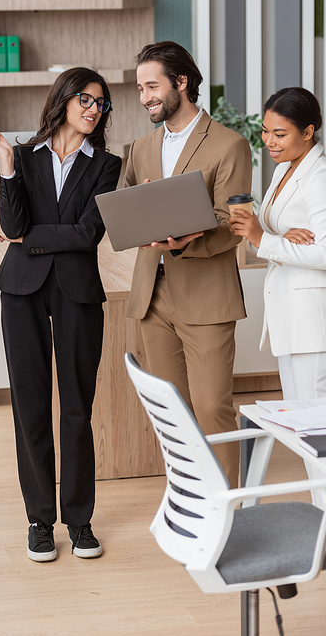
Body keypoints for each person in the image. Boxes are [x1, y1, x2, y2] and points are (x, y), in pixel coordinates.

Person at [0, 68, 122, 562]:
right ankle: (40, 521)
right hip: (21, 291)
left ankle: (79, 521)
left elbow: (88, 234)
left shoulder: (107, 165)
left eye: (101, 104)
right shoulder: (20, 157)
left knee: (77, 409)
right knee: (31, 409)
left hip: (77, 293)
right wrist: (5, 166)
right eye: (85, 98)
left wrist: (28, 236)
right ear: (63, 99)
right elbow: (15, 220)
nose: (92, 109)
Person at [125, 41, 252, 488]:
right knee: (172, 410)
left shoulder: (229, 145)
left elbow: (232, 222)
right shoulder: (140, 147)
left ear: (181, 82)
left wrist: (185, 239)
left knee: (212, 405)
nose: (145, 98)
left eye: (152, 86)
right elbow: (127, 209)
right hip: (153, 295)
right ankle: (191, 498)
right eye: (140, 89)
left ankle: (229, 508)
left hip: (205, 295)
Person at [229, 87, 326, 401]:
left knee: (320, 425)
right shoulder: (284, 169)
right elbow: (272, 233)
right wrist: (273, 236)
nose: (269, 141)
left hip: (315, 322)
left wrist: (263, 237)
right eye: (265, 131)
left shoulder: (323, 178)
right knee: (301, 423)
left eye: (280, 134)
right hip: (290, 318)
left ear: (308, 132)